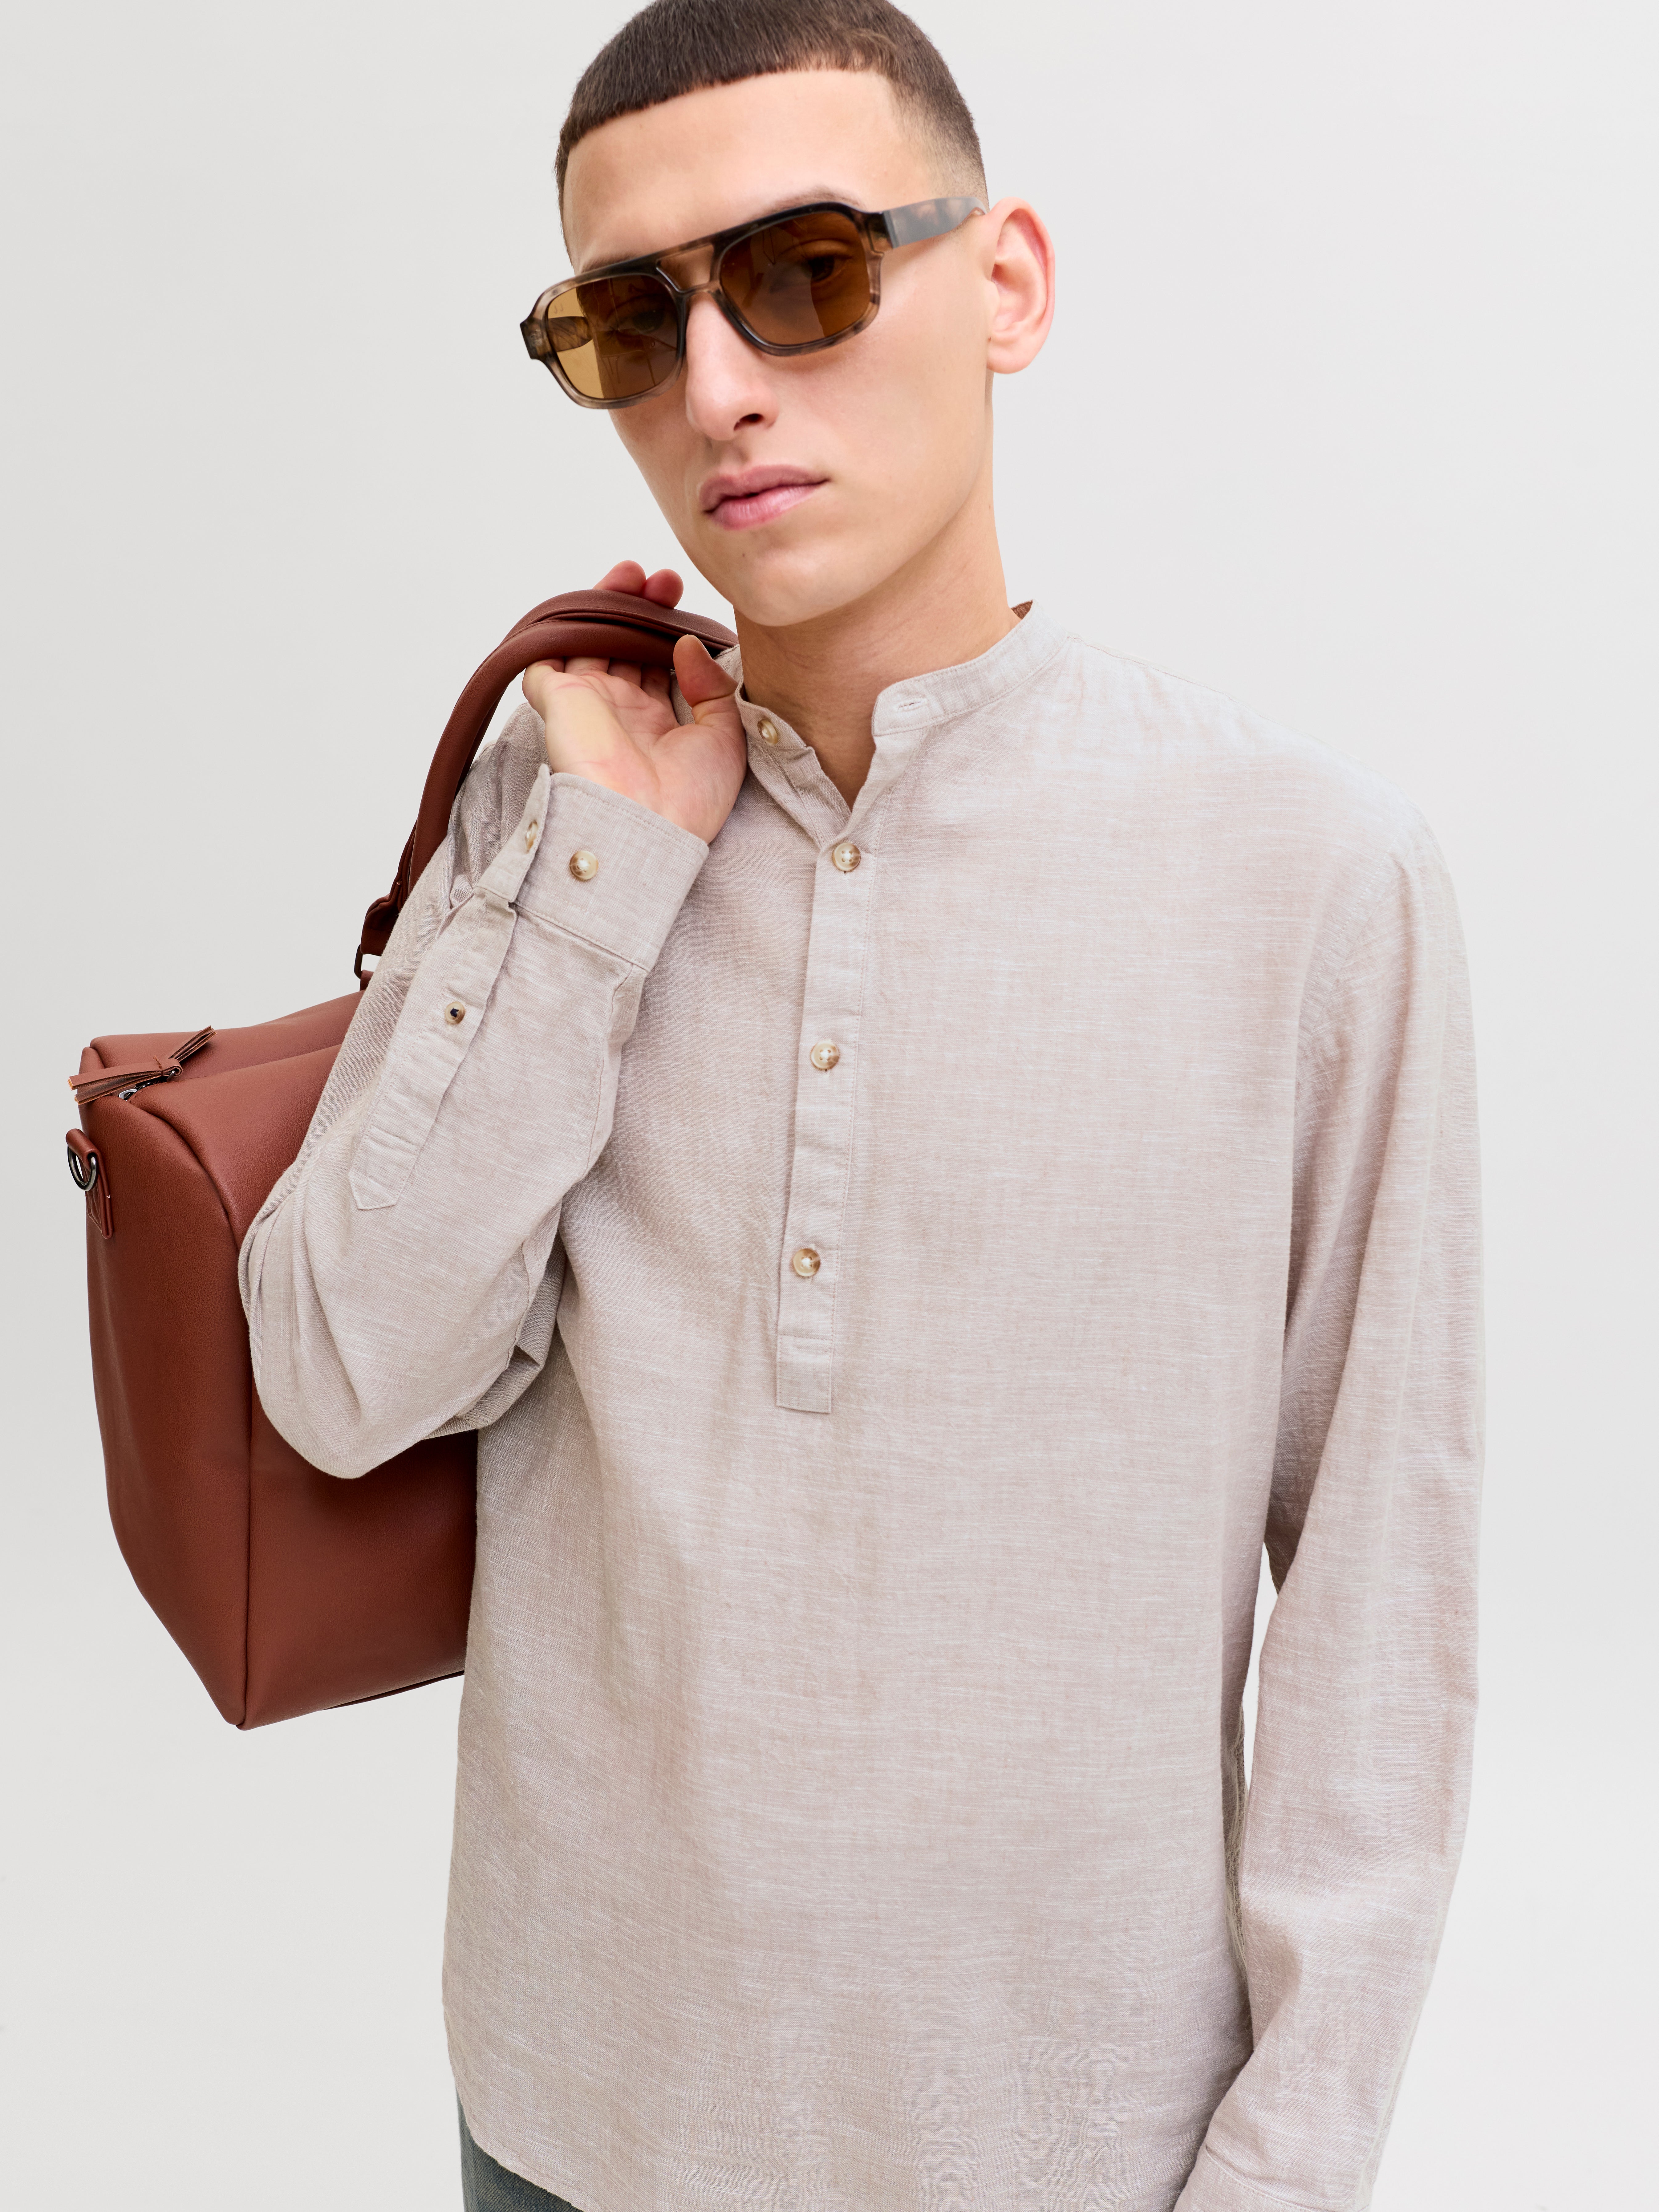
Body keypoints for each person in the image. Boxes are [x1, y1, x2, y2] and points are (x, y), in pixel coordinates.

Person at [241, 2, 1483, 2207]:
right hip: (569, 2115)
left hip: (1069, 2151)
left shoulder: (1309, 877)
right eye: (634, 324)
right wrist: (598, 882)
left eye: (803, 272)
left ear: (1005, 284)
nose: (718, 386)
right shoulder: (566, 813)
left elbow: (1384, 1622)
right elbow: (345, 1382)